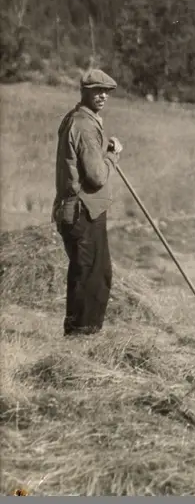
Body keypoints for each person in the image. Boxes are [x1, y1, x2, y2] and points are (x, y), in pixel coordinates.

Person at [52, 69, 124, 337]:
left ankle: (78, 335)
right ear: (85, 91)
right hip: (84, 213)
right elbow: (95, 177)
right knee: (92, 278)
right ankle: (82, 338)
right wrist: (113, 156)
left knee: (89, 274)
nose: (103, 95)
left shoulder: (78, 118)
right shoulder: (84, 124)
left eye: (106, 91)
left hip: (79, 211)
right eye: (97, 90)